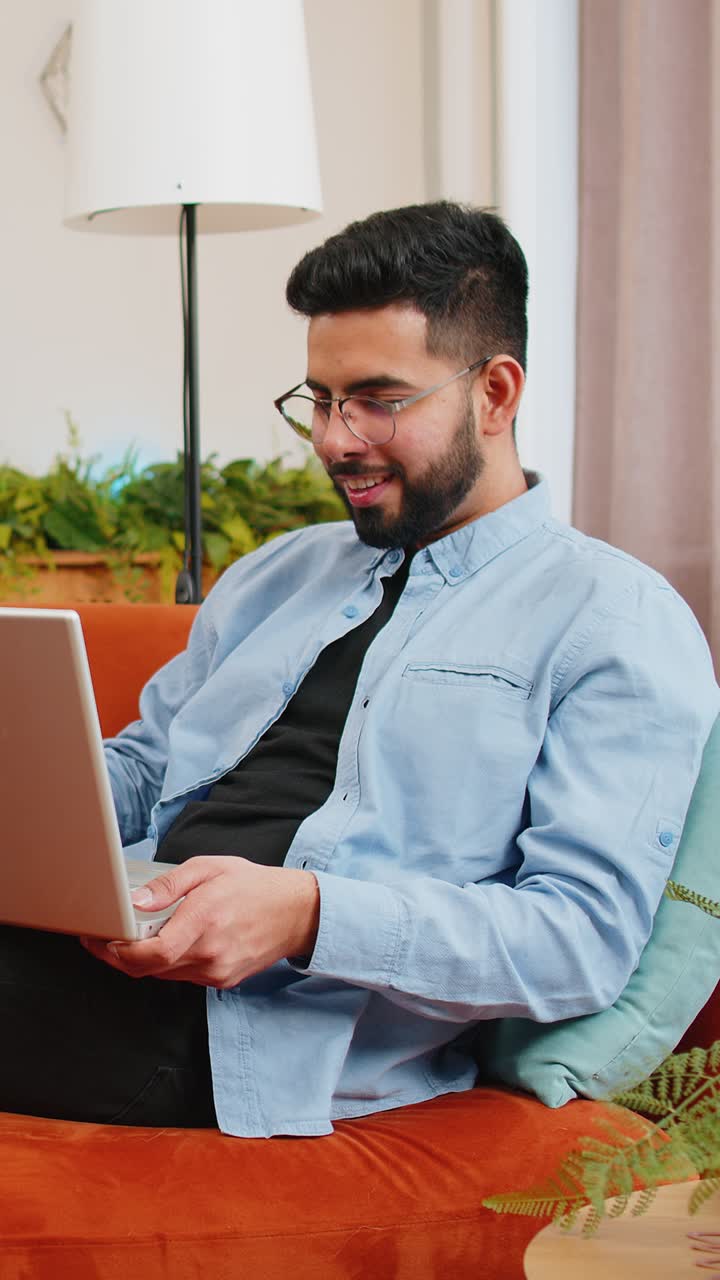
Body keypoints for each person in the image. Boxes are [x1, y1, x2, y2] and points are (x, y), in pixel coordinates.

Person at [2, 201, 718, 1137]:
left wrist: (307, 914)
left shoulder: (614, 620)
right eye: (321, 400)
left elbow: (579, 942)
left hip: (248, 1030)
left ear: (496, 394)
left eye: (379, 400)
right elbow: (146, 768)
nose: (336, 440)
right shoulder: (277, 573)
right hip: (114, 941)